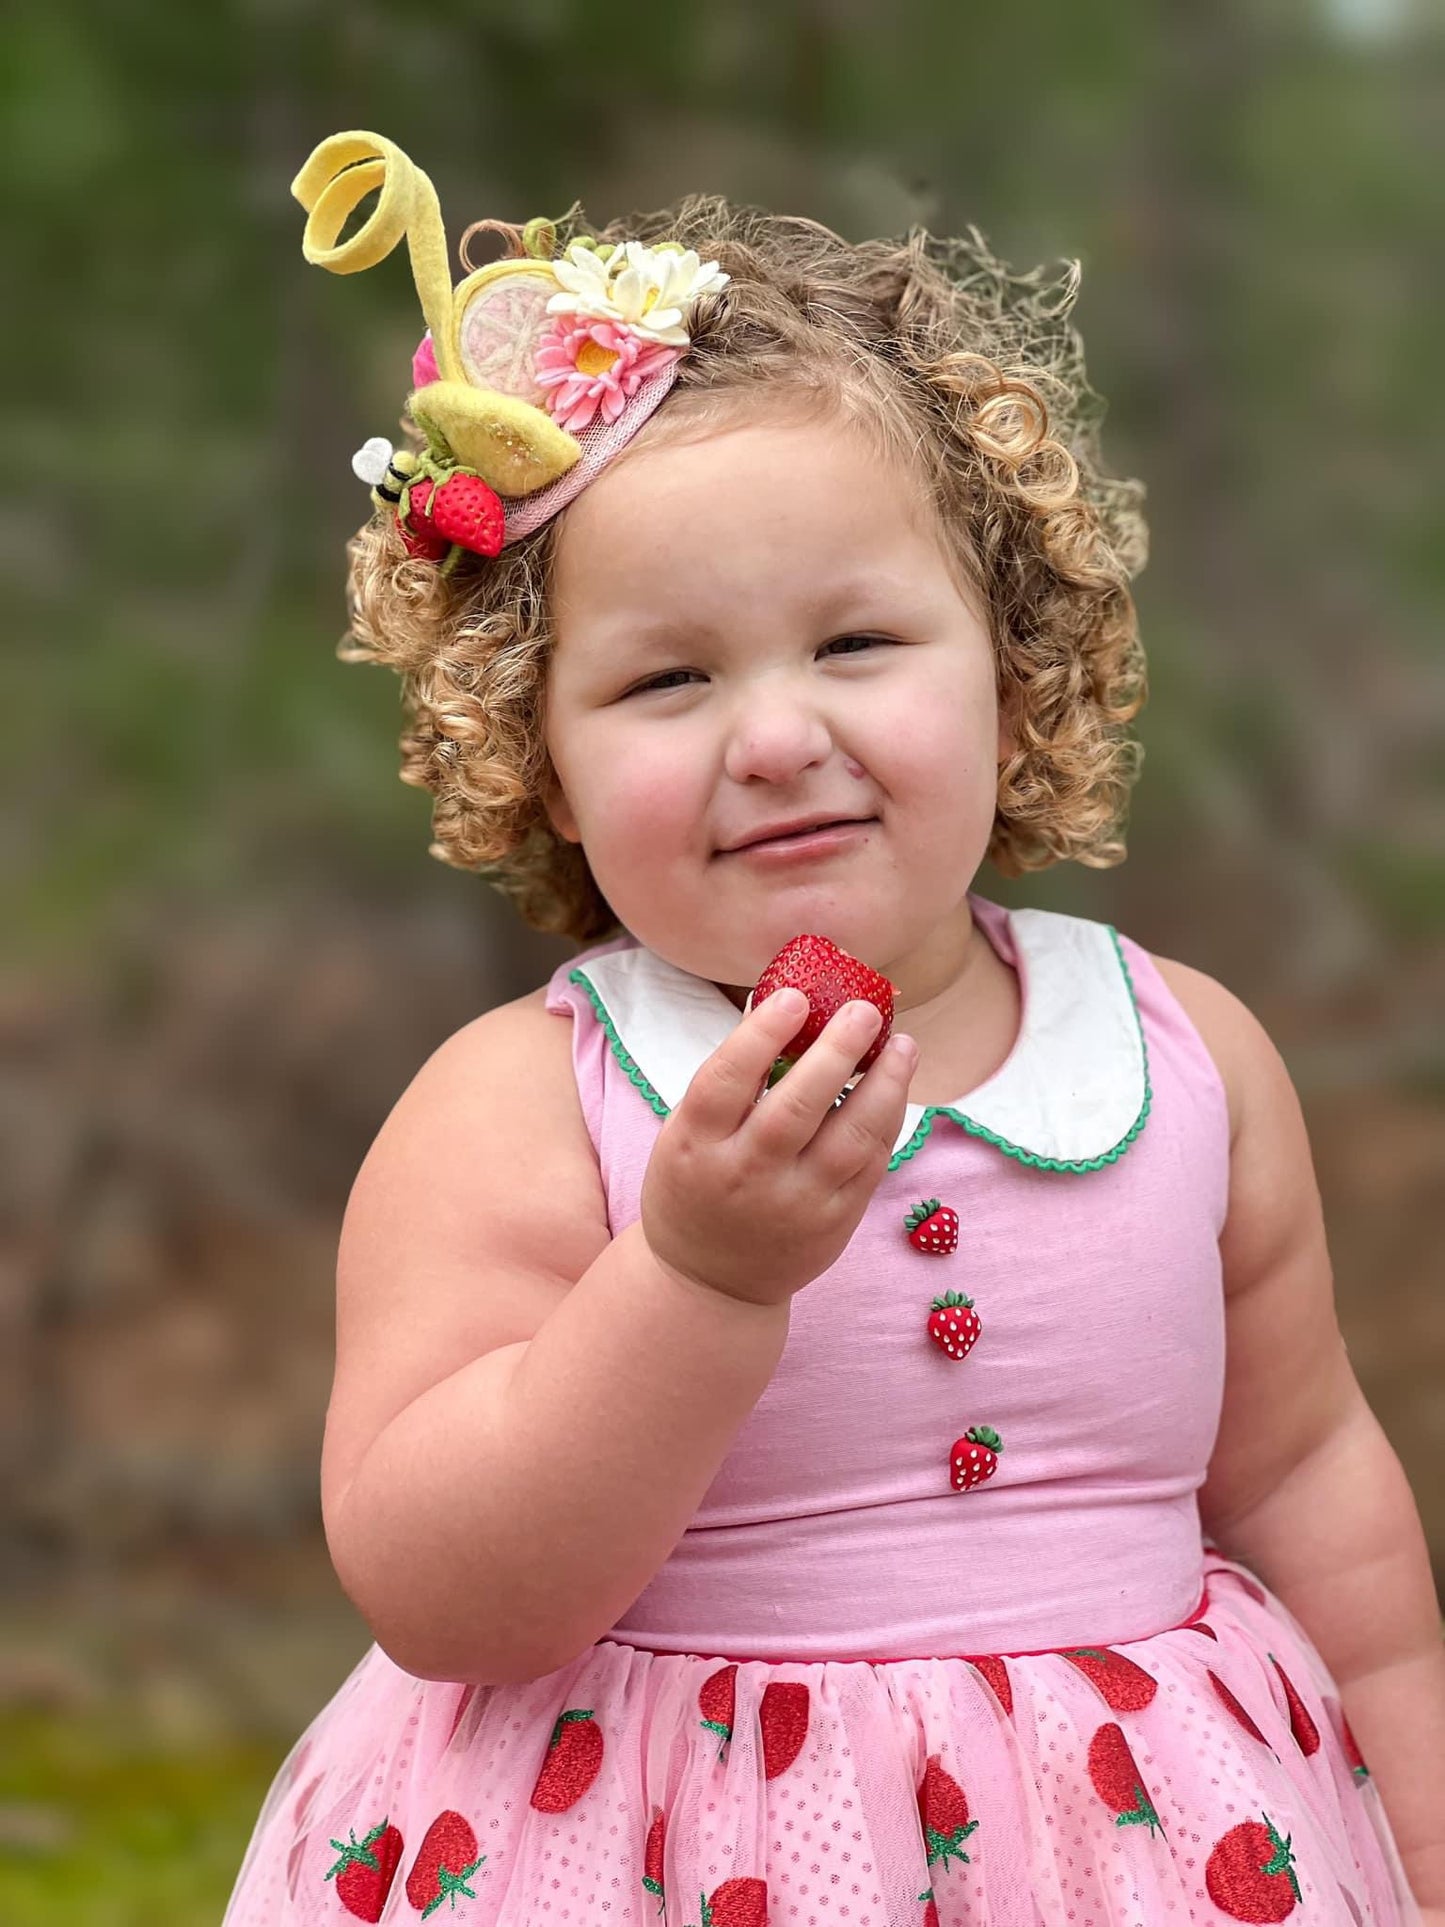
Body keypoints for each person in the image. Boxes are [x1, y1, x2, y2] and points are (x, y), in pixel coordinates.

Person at [222, 130, 1441, 1926]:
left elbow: (1303, 1476)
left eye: (856, 643)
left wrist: (1416, 1826)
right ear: (537, 761)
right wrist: (694, 1278)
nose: (776, 735)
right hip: (645, 1845)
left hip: (1147, 1848)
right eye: (665, 678)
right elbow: (441, 1591)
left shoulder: (1183, 1056)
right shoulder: (527, 1104)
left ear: (1013, 677)